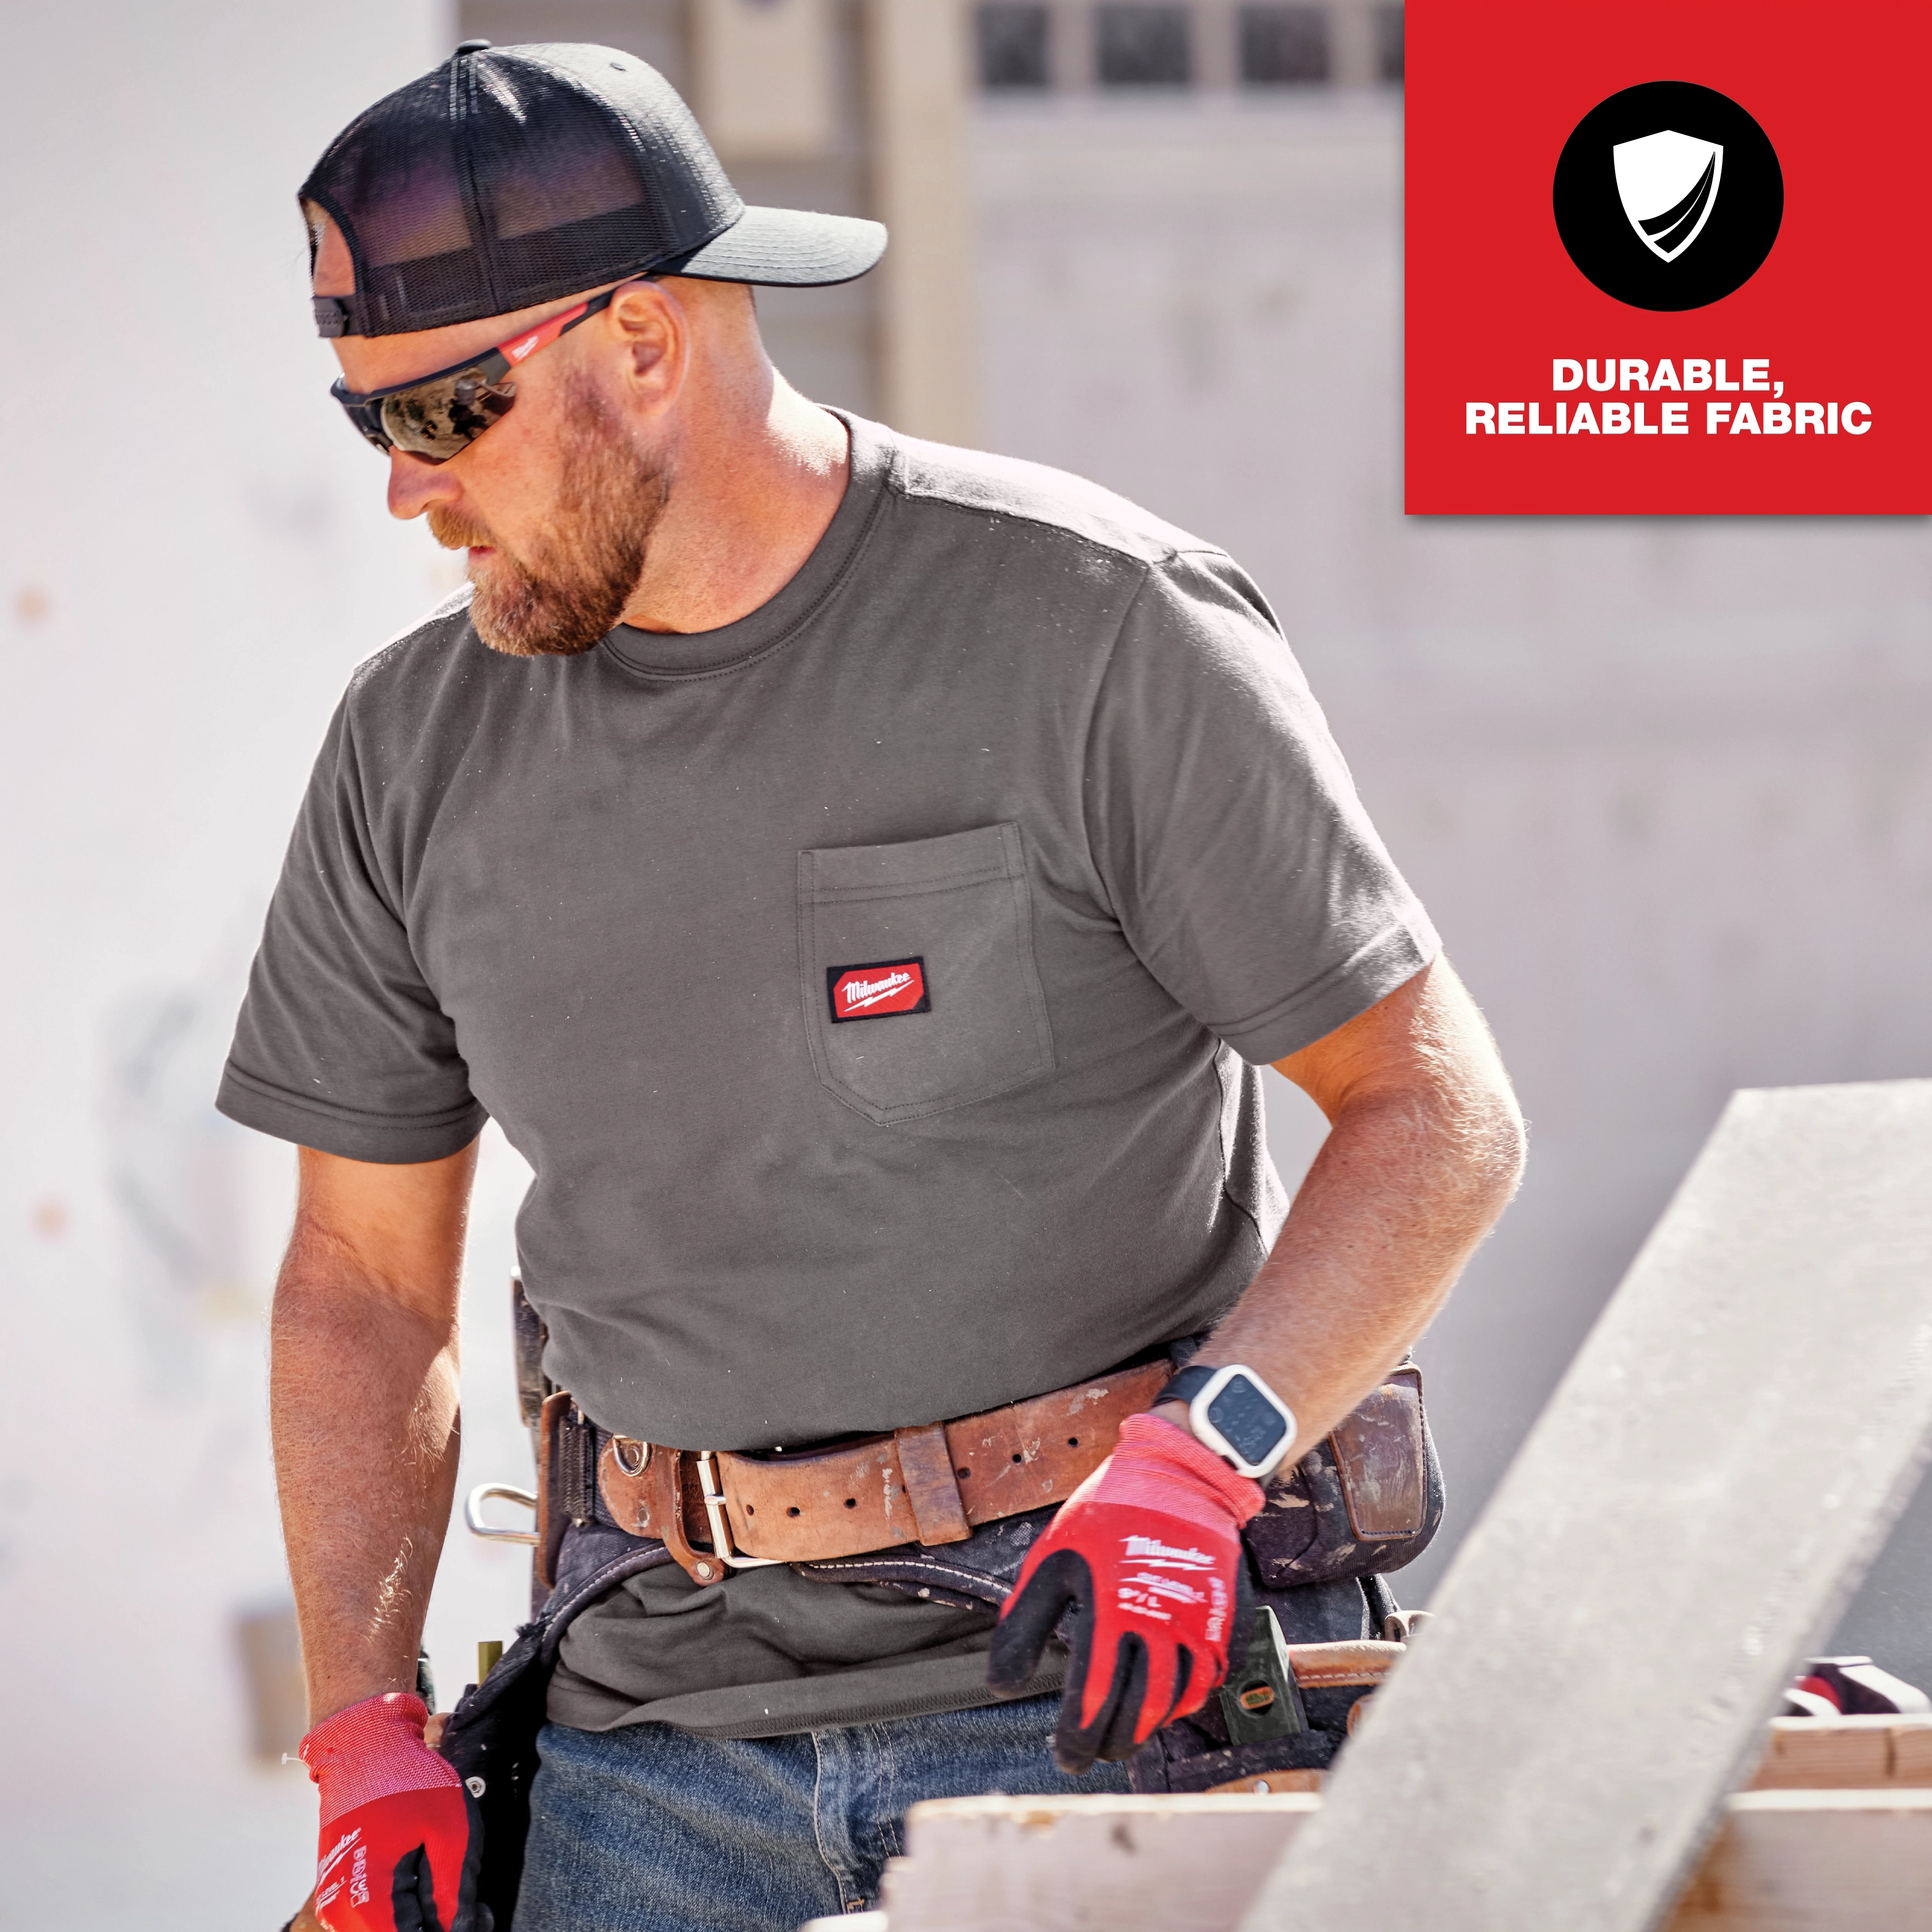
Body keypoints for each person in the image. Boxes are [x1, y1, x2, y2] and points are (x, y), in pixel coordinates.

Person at [231, 38, 1525, 1932]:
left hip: (1093, 1711)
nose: (407, 489)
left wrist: (1208, 1461)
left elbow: (1434, 1115)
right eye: (369, 423)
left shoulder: (1093, 626)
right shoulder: (406, 749)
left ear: (643, 343)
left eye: (442, 412)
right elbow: (357, 1282)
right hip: (639, 1771)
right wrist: (364, 1726)